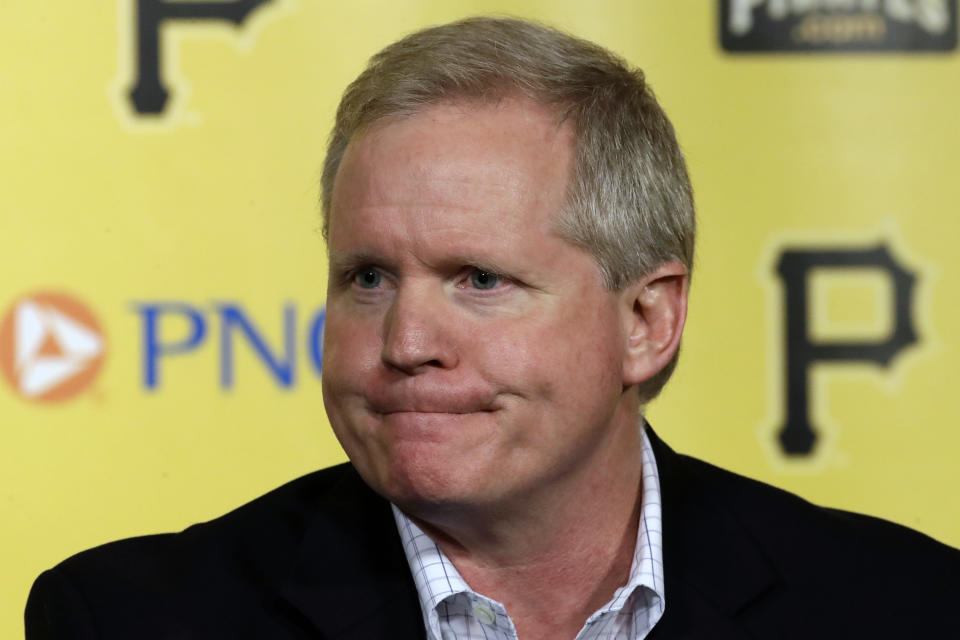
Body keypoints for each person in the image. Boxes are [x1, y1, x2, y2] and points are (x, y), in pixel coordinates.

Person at [26, 16, 960, 640]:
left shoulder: (901, 608)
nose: (404, 342)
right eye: (367, 277)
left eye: (478, 279)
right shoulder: (131, 620)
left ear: (648, 319)